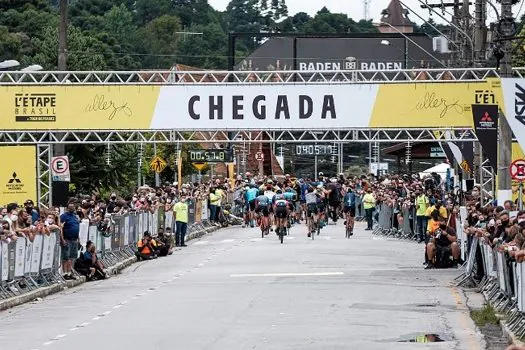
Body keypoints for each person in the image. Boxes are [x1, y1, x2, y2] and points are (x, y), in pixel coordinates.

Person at [60, 202, 80, 280]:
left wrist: (78, 239)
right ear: (67, 208)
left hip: (74, 240)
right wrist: (62, 239)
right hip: (67, 239)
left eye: (73, 207)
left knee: (73, 257)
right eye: (70, 207)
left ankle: (70, 272)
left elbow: (77, 228)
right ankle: (65, 273)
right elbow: (61, 228)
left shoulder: (75, 217)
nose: (72, 208)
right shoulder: (64, 216)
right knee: (65, 257)